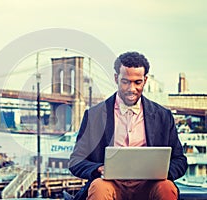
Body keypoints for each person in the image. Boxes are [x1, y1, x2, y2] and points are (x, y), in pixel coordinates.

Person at [69, 51, 187, 200]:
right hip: (109, 184)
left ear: (145, 80)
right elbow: (75, 161)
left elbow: (180, 161)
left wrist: (164, 172)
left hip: (149, 185)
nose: (131, 88)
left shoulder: (163, 116)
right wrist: (98, 169)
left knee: (167, 187)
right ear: (116, 78)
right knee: (99, 187)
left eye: (137, 82)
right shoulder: (94, 115)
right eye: (125, 82)